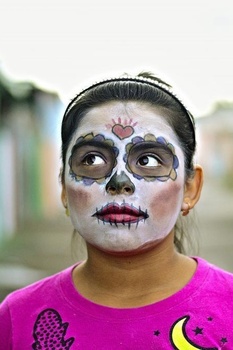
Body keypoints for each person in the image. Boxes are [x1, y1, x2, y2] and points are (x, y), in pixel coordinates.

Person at [0, 72, 233, 350]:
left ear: (190, 189)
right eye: (92, 159)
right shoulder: (17, 319)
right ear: (63, 187)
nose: (119, 183)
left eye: (148, 160)